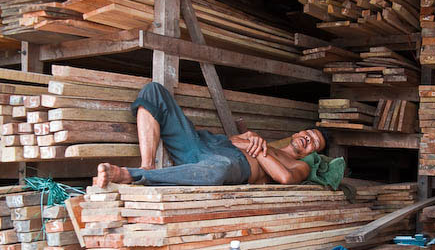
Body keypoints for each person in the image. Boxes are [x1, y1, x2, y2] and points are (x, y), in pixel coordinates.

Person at [96, 82, 326, 188]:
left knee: (218, 170)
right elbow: (232, 140)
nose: (309, 139)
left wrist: (257, 148)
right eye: (309, 133)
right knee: (154, 92)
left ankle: (132, 176)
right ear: (298, 132)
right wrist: (248, 139)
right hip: (206, 145)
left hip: (229, 164)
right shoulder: (268, 143)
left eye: (315, 143)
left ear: (313, 153)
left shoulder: (300, 166)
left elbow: (283, 178)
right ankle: (146, 165)